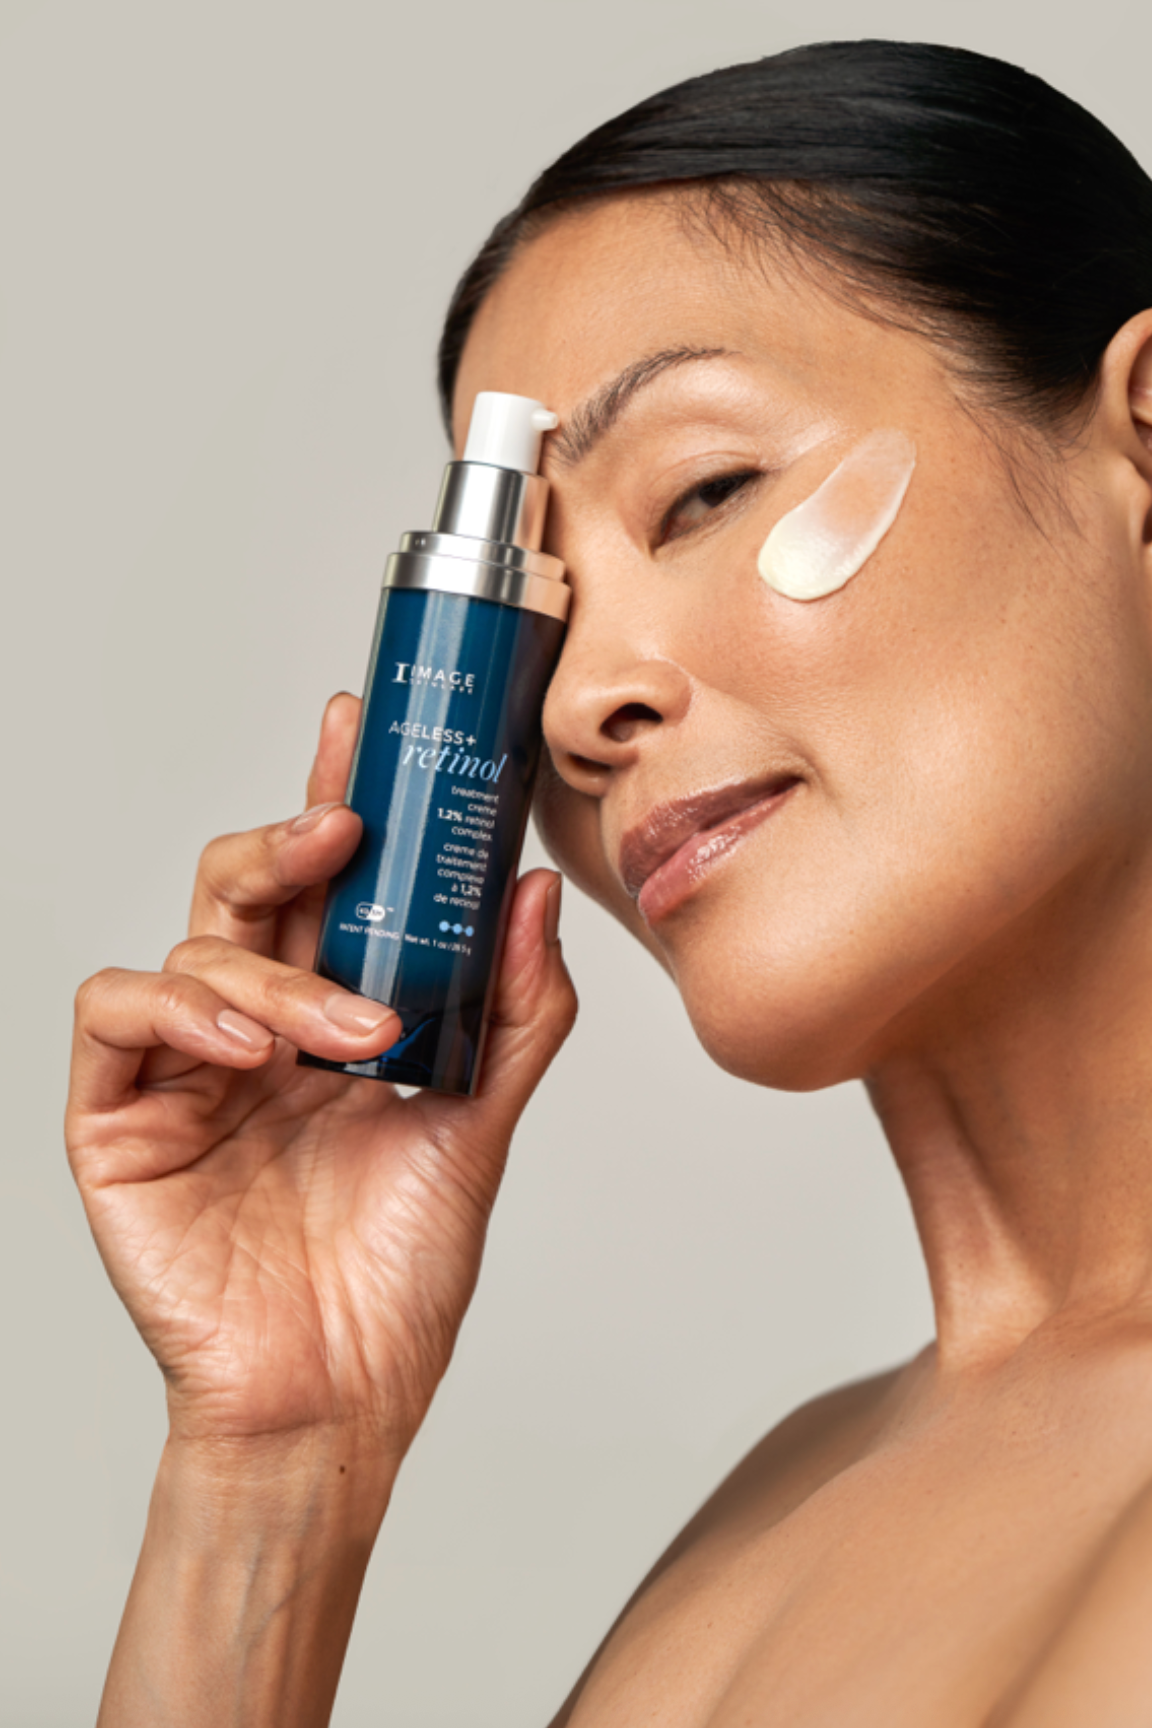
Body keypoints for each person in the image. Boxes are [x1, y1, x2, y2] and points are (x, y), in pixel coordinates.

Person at [66, 38, 1152, 1726]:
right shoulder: (761, 1548)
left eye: (706, 491)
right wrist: (274, 1468)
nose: (575, 707)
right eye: (538, 617)